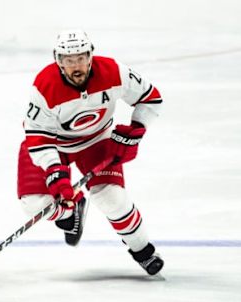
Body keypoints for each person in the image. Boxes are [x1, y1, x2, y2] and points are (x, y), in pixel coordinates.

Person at [17, 30, 164, 275]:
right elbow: (37, 136)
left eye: (81, 58)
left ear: (90, 55)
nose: (76, 65)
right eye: (69, 59)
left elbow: (150, 98)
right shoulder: (44, 86)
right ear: (58, 60)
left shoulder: (114, 72)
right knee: (35, 205)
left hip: (95, 141)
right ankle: (70, 211)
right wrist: (55, 171)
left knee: (112, 199)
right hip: (52, 145)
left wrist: (136, 129)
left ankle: (143, 252)